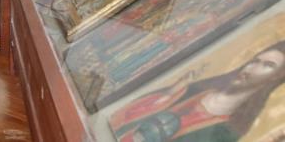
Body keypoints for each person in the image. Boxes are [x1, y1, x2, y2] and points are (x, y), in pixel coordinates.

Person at [110, 40, 285, 141]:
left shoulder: (230, 130)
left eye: (268, 66)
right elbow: (123, 116)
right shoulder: (193, 89)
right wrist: (169, 95)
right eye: (255, 60)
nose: (252, 68)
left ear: (275, 78)